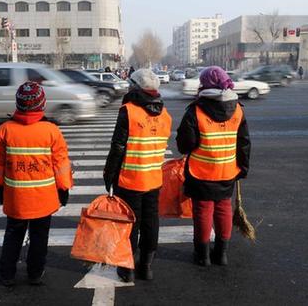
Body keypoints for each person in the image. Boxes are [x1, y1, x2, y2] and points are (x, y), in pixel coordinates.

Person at [0, 81, 73, 287]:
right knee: (39, 238)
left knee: (13, 236)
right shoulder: (52, 131)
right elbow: (61, 166)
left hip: (16, 198)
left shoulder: (5, 130)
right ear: (42, 103)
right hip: (44, 199)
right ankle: (35, 273)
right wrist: (64, 190)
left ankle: (7, 274)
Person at [176, 66, 251, 267]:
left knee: (203, 210)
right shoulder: (237, 109)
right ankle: (221, 254)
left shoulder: (196, 110)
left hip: (201, 172)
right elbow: (243, 142)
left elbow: (185, 145)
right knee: (224, 208)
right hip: (227, 171)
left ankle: (203, 256)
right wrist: (243, 168)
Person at [103, 68, 172, 283]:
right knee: (151, 222)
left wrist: (109, 174)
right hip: (153, 179)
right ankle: (146, 266)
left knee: (130, 223)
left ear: (134, 87)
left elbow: (118, 147)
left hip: (130, 179)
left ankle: (127, 268)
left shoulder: (128, 111)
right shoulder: (165, 114)